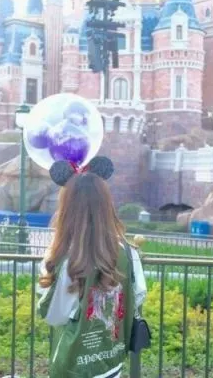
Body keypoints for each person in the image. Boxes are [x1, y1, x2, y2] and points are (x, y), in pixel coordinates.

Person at [37, 157, 147, 378]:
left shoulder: (69, 259)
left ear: (67, 208)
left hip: (74, 367)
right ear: (106, 205)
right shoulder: (128, 252)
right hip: (111, 362)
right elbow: (138, 296)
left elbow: (54, 315)